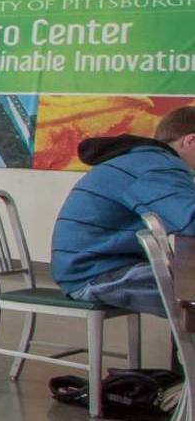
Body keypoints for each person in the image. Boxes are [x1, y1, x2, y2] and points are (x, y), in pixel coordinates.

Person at [54, 106, 195, 317]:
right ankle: (186, 350)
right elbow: (190, 221)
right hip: (97, 274)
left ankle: (184, 349)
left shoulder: (144, 160)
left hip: (90, 267)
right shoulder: (157, 167)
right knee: (188, 291)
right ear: (191, 141)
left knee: (188, 284)